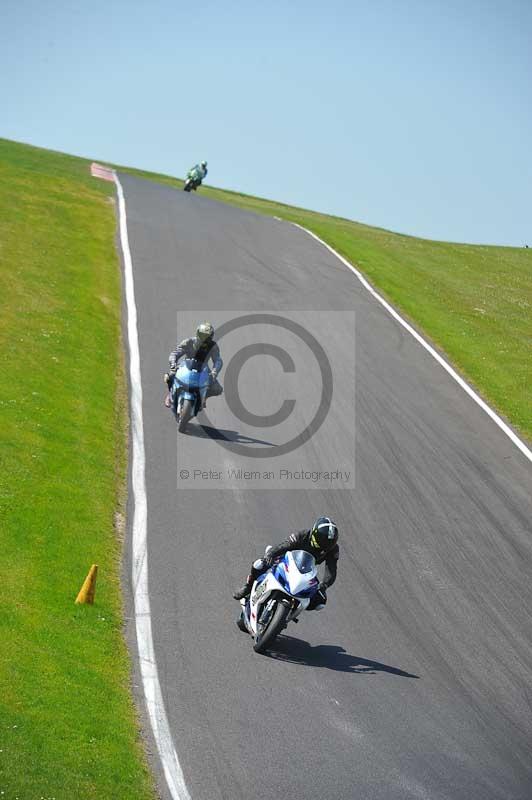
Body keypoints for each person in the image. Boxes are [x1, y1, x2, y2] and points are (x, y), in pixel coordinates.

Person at [233, 516, 339, 610]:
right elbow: (284, 546)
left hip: (305, 571)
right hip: (286, 560)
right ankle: (248, 587)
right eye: (322, 541)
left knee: (320, 601)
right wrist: (270, 555)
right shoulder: (302, 535)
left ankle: (290, 611)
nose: (324, 546)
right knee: (259, 564)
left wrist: (324, 585)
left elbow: (331, 570)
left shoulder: (333, 549)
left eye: (328, 544)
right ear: (314, 534)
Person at [164, 321, 223, 409]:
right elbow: (175, 354)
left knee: (217, 389)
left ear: (211, 337)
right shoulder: (188, 342)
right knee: (172, 375)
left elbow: (218, 360)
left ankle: (203, 397)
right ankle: (170, 394)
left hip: (203, 368)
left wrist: (214, 372)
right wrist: (173, 365)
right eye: (202, 335)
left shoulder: (213, 346)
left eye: (207, 337)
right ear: (197, 334)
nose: (204, 339)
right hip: (186, 365)